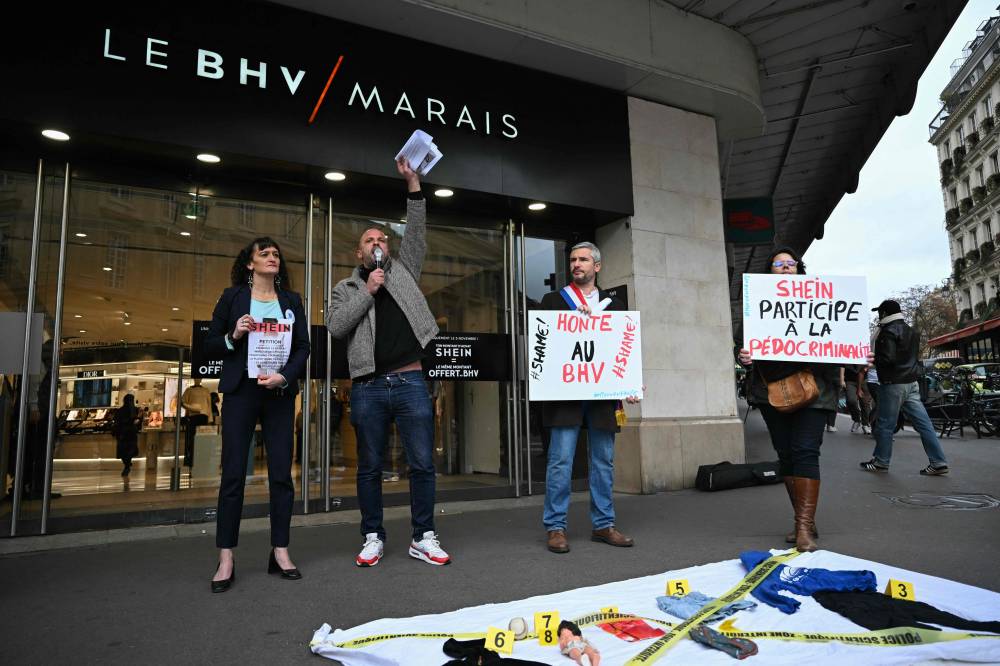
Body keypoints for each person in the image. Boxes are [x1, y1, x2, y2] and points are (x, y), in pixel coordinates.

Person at [327, 157, 449, 567]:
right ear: (359, 251)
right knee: (370, 467)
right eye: (370, 240)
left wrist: (413, 183)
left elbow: (416, 232)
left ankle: (423, 536)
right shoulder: (346, 287)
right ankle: (373, 536)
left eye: (382, 239)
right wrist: (368, 291)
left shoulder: (403, 272)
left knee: (421, 463)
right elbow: (336, 326)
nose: (378, 243)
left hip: (411, 382)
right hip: (369, 387)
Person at [205, 236, 310, 593]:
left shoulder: (292, 301)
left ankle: (280, 550)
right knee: (233, 473)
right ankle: (226, 557)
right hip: (241, 391)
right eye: (264, 254)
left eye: (276, 254)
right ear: (249, 264)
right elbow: (211, 341)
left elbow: (303, 347)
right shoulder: (233, 297)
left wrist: (285, 375)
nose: (272, 258)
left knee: (282, 473)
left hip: (278, 391)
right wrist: (234, 334)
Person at [539, 241, 641, 555]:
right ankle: (556, 527)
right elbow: (543, 346)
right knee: (560, 461)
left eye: (583, 259)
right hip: (566, 394)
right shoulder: (554, 300)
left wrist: (630, 383)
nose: (577, 264)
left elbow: (622, 347)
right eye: (573, 259)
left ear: (597, 266)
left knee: (603, 462)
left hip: (601, 394)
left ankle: (603, 524)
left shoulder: (614, 303)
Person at [738, 246, 839, 552]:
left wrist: (859, 353)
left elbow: (838, 337)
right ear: (770, 272)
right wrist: (743, 356)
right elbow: (744, 341)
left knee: (805, 451)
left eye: (790, 263)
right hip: (771, 393)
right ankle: (803, 518)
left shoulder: (820, 300)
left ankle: (803, 527)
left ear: (799, 268)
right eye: (777, 264)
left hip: (814, 390)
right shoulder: (756, 305)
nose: (784, 267)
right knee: (786, 455)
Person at [860, 299, 949, 475]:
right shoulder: (911, 331)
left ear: (884, 314)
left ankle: (880, 462)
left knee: (885, 425)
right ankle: (938, 461)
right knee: (924, 425)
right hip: (911, 383)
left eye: (880, 313)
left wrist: (873, 361)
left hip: (893, 383)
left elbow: (888, 359)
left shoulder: (887, 332)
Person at [181, 378, 211, 466]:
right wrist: (191, 408)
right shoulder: (189, 390)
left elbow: (209, 405)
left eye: (199, 378)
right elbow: (182, 402)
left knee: (202, 439)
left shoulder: (206, 390)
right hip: (193, 416)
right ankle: (192, 459)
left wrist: (210, 419)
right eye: (196, 378)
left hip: (203, 416)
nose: (197, 380)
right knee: (192, 439)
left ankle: (202, 458)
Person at [112, 394, 140, 477]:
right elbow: (136, 420)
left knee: (123, 452)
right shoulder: (135, 410)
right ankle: (127, 465)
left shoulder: (120, 411)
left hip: (122, 434)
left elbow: (116, 421)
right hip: (131, 434)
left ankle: (127, 465)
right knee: (129, 451)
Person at [844, 364, 870, 434]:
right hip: (850, 380)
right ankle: (857, 419)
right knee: (851, 400)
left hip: (864, 379)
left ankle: (865, 424)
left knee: (865, 403)